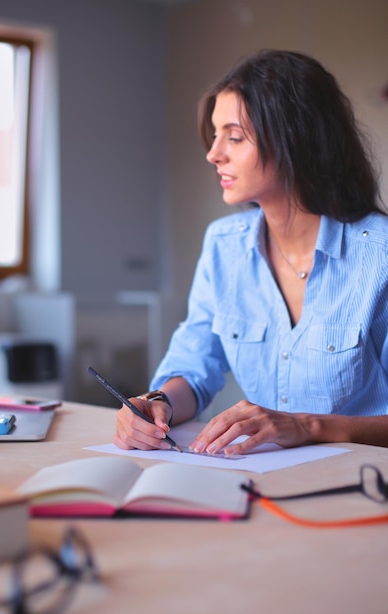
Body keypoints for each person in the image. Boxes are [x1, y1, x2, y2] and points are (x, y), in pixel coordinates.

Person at [114, 49, 388, 456]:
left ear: (295, 138)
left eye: (234, 136)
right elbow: (194, 368)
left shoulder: (379, 255)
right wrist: (157, 404)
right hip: (262, 481)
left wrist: (306, 426)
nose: (213, 153)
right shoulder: (224, 244)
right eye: (214, 134)